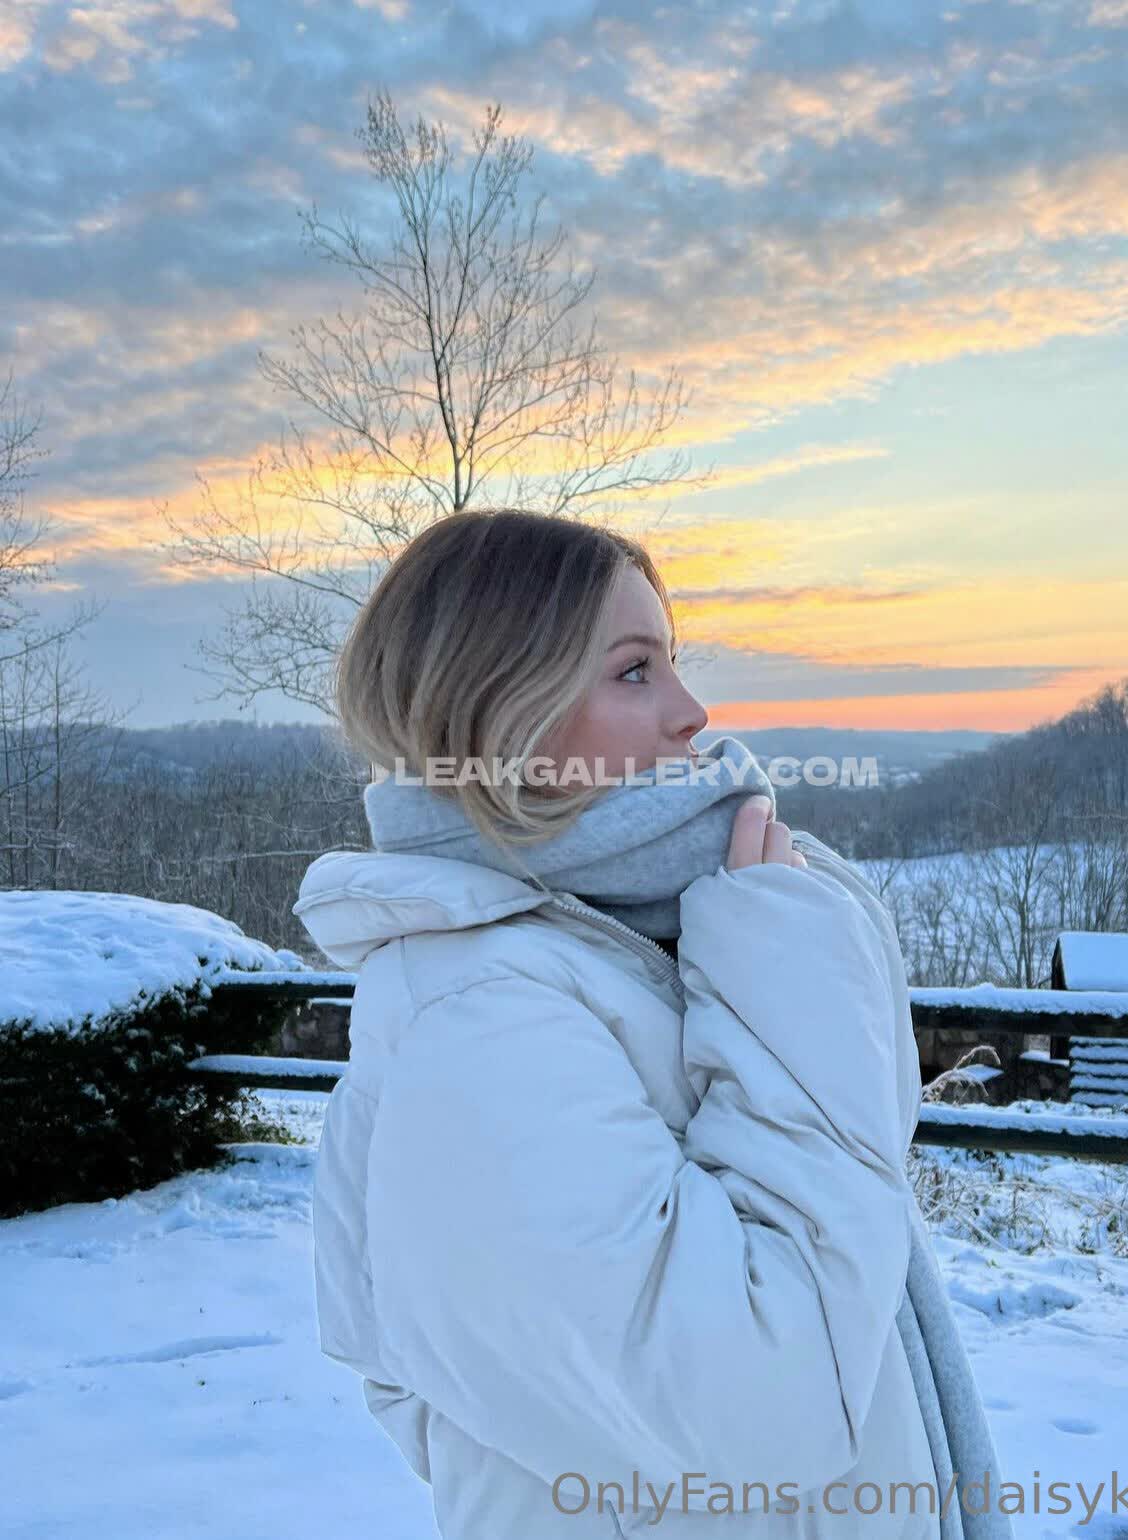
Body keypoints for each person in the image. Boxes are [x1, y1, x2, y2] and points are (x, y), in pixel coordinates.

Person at [293, 508, 1013, 1539]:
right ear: (496, 711)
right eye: (634, 671)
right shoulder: (480, 1012)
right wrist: (788, 981)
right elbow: (764, 1405)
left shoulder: (632, 939)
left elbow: (859, 1187)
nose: (692, 712)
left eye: (673, 662)